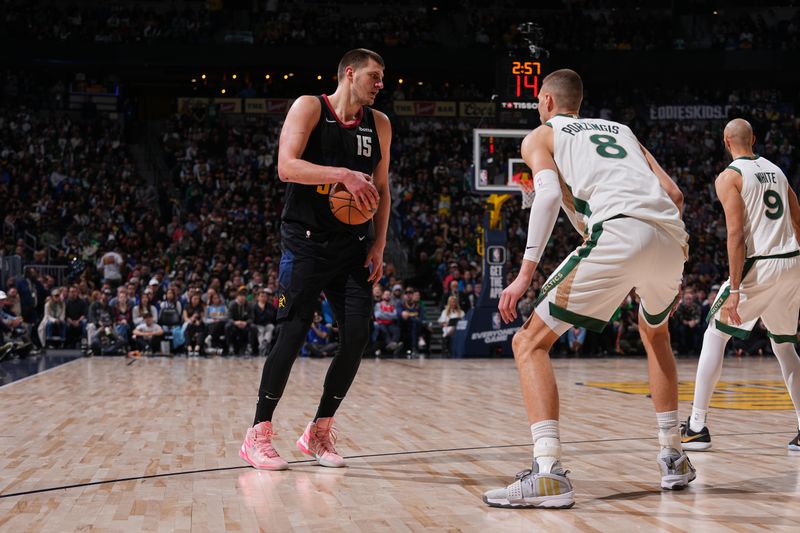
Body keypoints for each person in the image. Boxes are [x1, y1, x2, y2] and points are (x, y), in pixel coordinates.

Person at [483, 69, 694, 509]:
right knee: (656, 335)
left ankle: (547, 472)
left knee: (528, 343)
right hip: (671, 239)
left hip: (618, 232)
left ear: (545, 101)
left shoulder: (542, 135)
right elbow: (673, 193)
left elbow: (543, 197)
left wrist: (524, 274)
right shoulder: (623, 130)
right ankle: (673, 456)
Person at [241, 48, 392, 471]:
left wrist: (379, 244)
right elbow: (286, 168)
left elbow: (382, 188)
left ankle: (318, 431)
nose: (380, 84)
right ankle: (257, 434)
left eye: (382, 78)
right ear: (349, 73)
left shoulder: (379, 124)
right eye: (374, 77)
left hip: (352, 247)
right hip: (305, 243)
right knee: (291, 333)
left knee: (358, 335)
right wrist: (341, 174)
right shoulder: (310, 106)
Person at [682, 118, 800, 452]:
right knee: (784, 346)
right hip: (793, 261)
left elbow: (735, 234)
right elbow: (798, 221)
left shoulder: (729, 177)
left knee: (715, 333)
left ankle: (696, 426)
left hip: (761, 266)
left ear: (726, 141)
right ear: (754, 139)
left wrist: (734, 290)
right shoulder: (778, 171)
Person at [225, 288, 256, 355]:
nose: (242, 298)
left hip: (245, 325)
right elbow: (229, 317)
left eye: (243, 296)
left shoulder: (249, 305)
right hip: (235, 324)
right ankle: (230, 346)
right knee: (228, 326)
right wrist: (235, 322)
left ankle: (249, 346)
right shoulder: (232, 304)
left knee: (253, 327)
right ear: (237, 297)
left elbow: (252, 318)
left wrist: (246, 322)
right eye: (240, 296)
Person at [252, 288, 277, 356]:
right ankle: (263, 345)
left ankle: (265, 342)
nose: (263, 298)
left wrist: (264, 310)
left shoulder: (270, 306)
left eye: (265, 296)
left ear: (267, 298)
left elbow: (271, 317)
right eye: (261, 296)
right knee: (260, 330)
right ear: (258, 297)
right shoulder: (254, 307)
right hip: (258, 325)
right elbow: (254, 319)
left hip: (267, 324)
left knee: (271, 327)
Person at [183, 291, 206, 356]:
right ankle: (189, 347)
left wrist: (199, 321)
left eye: (198, 299)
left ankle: (197, 347)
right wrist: (191, 319)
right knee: (187, 330)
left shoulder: (200, 307)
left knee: (201, 331)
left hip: (198, 325)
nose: (196, 300)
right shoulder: (186, 306)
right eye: (194, 299)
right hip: (189, 323)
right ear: (191, 299)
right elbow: (185, 317)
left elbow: (202, 317)